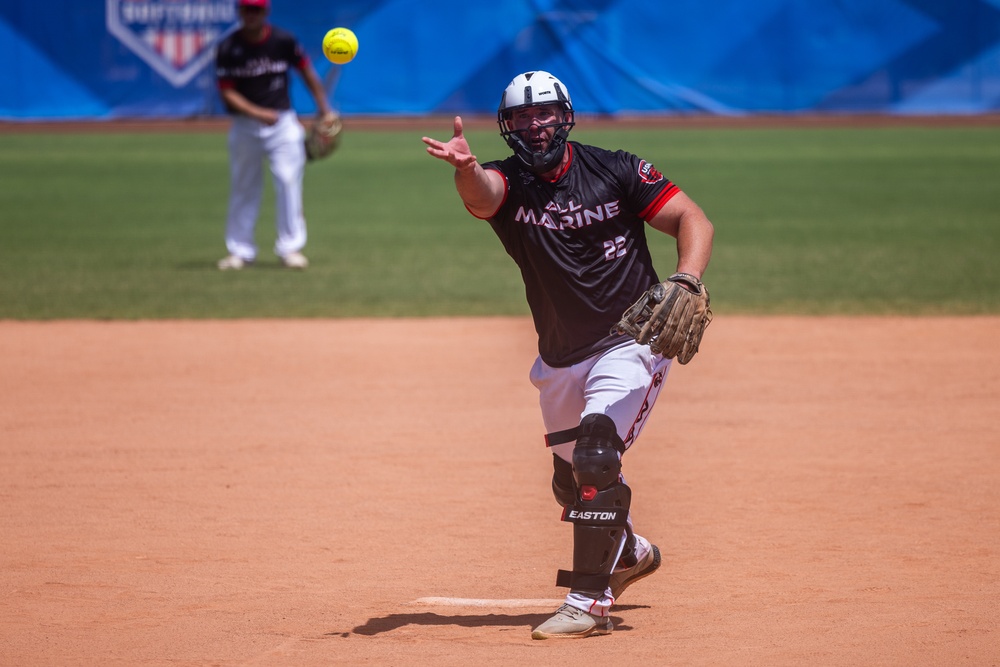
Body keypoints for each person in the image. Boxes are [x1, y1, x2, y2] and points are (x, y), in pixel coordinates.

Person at [422, 71, 715, 640]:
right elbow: (483, 195)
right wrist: (465, 170)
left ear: (566, 115)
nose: (536, 126)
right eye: (523, 118)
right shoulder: (505, 182)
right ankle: (628, 549)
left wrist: (686, 278)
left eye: (545, 114)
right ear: (509, 128)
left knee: (597, 454)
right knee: (568, 483)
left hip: (632, 339)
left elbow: (691, 218)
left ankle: (588, 601)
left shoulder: (617, 168)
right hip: (559, 356)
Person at [214, 0, 336, 270]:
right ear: (240, 12)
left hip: (282, 124)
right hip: (245, 126)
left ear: (265, 12)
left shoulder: (283, 41)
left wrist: (324, 109)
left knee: (288, 180)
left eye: (256, 9)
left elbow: (306, 72)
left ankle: (290, 249)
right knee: (244, 186)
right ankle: (240, 250)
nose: (251, 14)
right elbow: (227, 91)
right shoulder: (228, 47)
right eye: (247, 9)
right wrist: (258, 113)